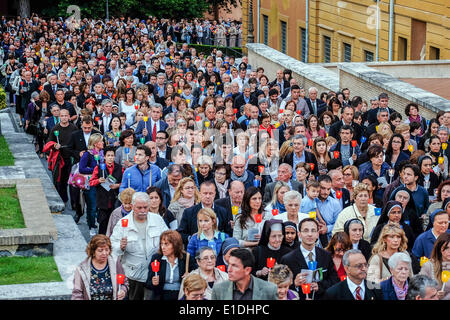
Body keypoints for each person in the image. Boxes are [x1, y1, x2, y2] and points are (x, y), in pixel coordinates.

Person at [110, 192, 169, 300]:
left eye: (145, 207)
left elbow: (168, 239)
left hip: (154, 273)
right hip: (133, 275)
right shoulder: (123, 223)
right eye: (139, 207)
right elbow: (112, 246)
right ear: (132, 206)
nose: (143, 210)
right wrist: (120, 246)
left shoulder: (157, 220)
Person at [280, 218, 340, 300]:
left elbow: (335, 280)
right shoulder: (288, 259)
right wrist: (295, 284)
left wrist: (320, 286)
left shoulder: (326, 255)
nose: (310, 234)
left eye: (313, 230)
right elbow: (280, 286)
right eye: (306, 230)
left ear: (317, 234)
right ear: (299, 234)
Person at [72, 235, 128, 300]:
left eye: (107, 250)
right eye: (100, 250)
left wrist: (123, 290)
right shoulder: (82, 269)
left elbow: (124, 282)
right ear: (93, 252)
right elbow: (77, 293)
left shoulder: (115, 263)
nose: (104, 253)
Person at [145, 230, 195, 300]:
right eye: (161, 244)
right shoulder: (156, 258)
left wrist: (190, 275)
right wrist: (153, 283)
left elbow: (196, 277)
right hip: (161, 296)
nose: (163, 247)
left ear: (175, 244)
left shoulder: (186, 258)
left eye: (166, 244)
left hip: (181, 295)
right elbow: (148, 283)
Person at [210, 248, 278, 300]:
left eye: (234, 266)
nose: (229, 270)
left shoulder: (270, 290)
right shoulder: (218, 290)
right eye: (229, 265)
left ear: (247, 270)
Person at [88, 146, 123, 235]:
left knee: (115, 224)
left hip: (115, 200)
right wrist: (98, 181)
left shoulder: (120, 168)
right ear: (104, 157)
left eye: (112, 155)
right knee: (103, 224)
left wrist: (118, 185)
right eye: (108, 155)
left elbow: (124, 183)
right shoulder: (98, 168)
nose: (111, 157)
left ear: (115, 157)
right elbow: (91, 182)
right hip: (102, 200)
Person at [79, 133, 104, 236]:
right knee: (92, 206)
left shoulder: (103, 153)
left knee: (99, 206)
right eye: (101, 141)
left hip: (101, 183)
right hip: (91, 183)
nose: (103, 143)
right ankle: (91, 225)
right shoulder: (88, 154)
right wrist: (95, 170)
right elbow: (81, 168)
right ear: (95, 143)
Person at [419, 233, 450, 300]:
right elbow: (420, 288)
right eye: (446, 248)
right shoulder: (428, 265)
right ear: (439, 248)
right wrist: (434, 295)